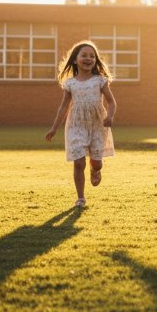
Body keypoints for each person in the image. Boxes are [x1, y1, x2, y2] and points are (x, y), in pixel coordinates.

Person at [45, 40, 117, 208]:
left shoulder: (100, 80)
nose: (88, 58)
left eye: (92, 56)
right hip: (76, 124)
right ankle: (81, 198)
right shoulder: (70, 83)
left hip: (98, 124)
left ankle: (96, 169)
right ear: (75, 59)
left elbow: (111, 102)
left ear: (96, 60)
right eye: (84, 55)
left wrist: (111, 116)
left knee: (96, 162)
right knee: (78, 162)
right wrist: (54, 128)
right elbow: (63, 107)